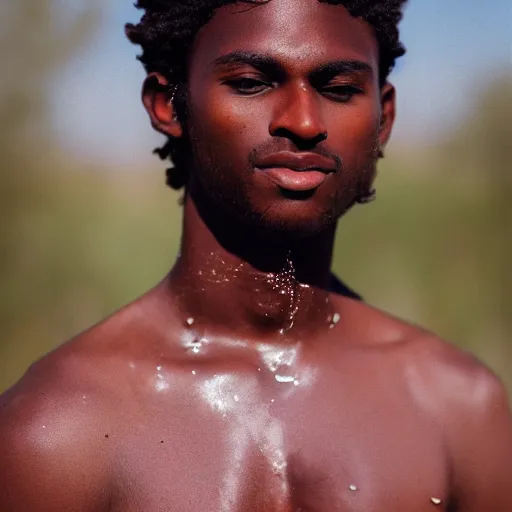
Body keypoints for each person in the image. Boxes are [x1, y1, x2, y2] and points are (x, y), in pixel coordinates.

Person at [1, 0, 511, 510]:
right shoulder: (54, 431)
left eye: (339, 90)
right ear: (168, 104)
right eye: (251, 82)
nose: (305, 122)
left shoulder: (458, 409)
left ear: (384, 118)